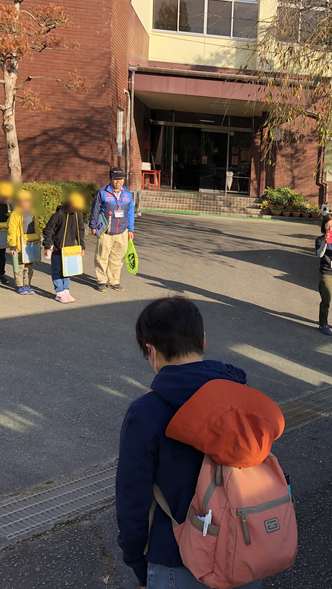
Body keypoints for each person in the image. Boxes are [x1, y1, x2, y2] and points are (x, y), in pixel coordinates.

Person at [115, 296, 262, 589]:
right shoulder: (241, 396)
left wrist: (137, 564)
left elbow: (132, 503)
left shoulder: (145, 413)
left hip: (177, 560)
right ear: (203, 340)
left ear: (150, 351)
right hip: (245, 551)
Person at [89, 167, 135, 292]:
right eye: (115, 179)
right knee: (102, 257)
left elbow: (130, 213)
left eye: (120, 179)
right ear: (111, 179)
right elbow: (95, 210)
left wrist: (131, 229)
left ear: (124, 179)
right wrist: (93, 225)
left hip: (122, 231)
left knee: (117, 258)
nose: (118, 181)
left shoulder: (128, 195)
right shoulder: (102, 192)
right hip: (106, 231)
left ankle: (114, 281)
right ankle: (101, 281)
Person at [42, 192, 87, 304]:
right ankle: (59, 292)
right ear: (70, 204)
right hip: (57, 249)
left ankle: (66, 290)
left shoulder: (77, 215)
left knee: (68, 271)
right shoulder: (58, 215)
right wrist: (47, 245)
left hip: (70, 250)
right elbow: (48, 230)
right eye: (75, 208)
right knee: (57, 270)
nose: (77, 210)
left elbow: (80, 231)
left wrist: (82, 246)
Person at [7, 190, 38, 295]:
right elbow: (11, 230)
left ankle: (27, 284)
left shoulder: (32, 212)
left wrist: (37, 241)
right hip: (19, 245)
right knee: (19, 266)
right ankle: (19, 285)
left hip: (30, 243)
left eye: (28, 201)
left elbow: (36, 227)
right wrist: (12, 245)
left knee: (29, 267)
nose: (27, 203)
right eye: (24, 201)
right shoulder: (16, 214)